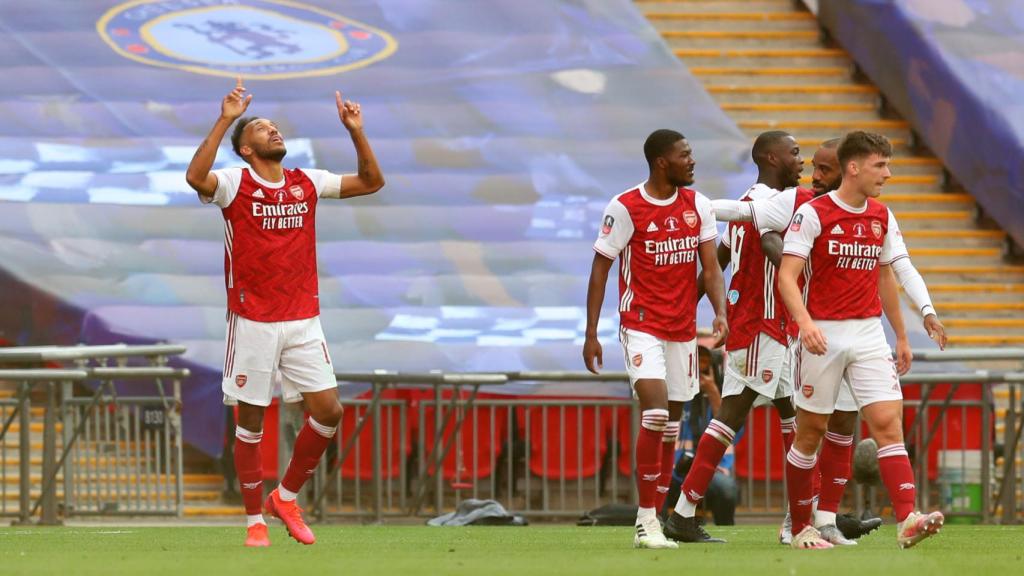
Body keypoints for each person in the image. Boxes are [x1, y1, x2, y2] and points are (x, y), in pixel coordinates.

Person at [712, 138, 948, 545]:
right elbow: (787, 275)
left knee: (888, 424)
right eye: (880, 165)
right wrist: (805, 324)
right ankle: (801, 527)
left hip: (868, 332)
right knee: (810, 432)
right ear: (854, 168)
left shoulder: (881, 216)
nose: (888, 174)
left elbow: (897, 270)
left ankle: (907, 518)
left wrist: (923, 315)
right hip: (822, 333)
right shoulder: (811, 213)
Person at [185, 78, 385, 547]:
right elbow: (196, 178)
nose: (272, 130)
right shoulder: (234, 184)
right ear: (245, 150)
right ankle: (254, 520)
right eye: (260, 129)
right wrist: (227, 117)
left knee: (329, 411)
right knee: (251, 422)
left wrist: (355, 130)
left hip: (302, 319)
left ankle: (286, 497)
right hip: (253, 320)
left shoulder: (306, 181)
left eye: (273, 126)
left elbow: (373, 182)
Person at [583, 129, 728, 549]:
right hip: (641, 324)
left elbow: (711, 269)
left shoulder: (697, 205)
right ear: (663, 162)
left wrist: (719, 311)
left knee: (671, 426)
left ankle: (659, 518)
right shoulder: (626, 206)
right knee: (656, 413)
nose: (692, 161)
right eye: (685, 155)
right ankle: (645, 520)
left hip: (682, 330)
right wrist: (591, 333)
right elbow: (600, 268)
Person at [669, 131, 807, 544]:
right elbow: (748, 250)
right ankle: (683, 511)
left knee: (796, 421)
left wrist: (692, 305)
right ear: (771, 156)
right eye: (795, 153)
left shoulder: (754, 202)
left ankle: (801, 518)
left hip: (770, 328)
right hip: (761, 328)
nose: (801, 161)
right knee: (731, 416)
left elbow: (721, 259)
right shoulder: (766, 204)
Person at [663, 341, 739, 527]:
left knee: (727, 489)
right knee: (656, 478)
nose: (701, 367)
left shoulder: (726, 398)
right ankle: (659, 527)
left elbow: (732, 432)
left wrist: (712, 391)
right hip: (676, 469)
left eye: (706, 362)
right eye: (698, 362)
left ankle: (726, 530)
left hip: (714, 472)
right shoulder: (678, 395)